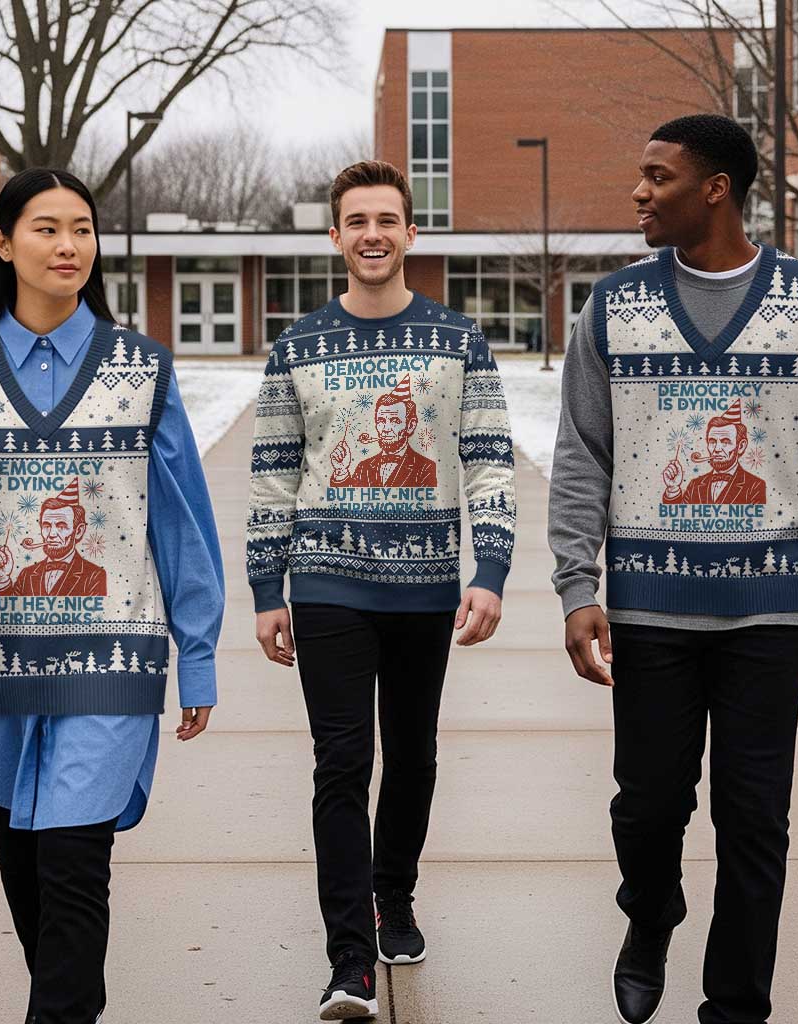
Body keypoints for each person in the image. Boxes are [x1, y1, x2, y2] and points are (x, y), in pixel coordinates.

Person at [549, 114, 798, 1024]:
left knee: (755, 824)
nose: (639, 192)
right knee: (647, 811)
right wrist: (579, 585)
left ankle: (736, 1005)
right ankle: (649, 913)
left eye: (658, 176)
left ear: (716, 188)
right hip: (650, 611)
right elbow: (583, 453)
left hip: (769, 619)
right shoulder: (614, 307)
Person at [0, 167, 224, 1024]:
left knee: (75, 865)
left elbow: (181, 524)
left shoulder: (142, 372)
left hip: (111, 660)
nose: (68, 246)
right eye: (46, 228)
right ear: (3, 244)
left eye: (82, 229)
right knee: (24, 863)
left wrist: (200, 655)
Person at [246, 159, 516, 1021]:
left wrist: (492, 569)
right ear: (334, 235)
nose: (372, 234)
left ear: (410, 233)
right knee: (341, 761)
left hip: (426, 585)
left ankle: (392, 895)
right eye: (355, 220)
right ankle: (349, 960)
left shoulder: (458, 340)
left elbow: (488, 460)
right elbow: (273, 476)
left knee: (414, 752)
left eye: (386, 220)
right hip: (326, 582)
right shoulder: (296, 347)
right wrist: (266, 587)